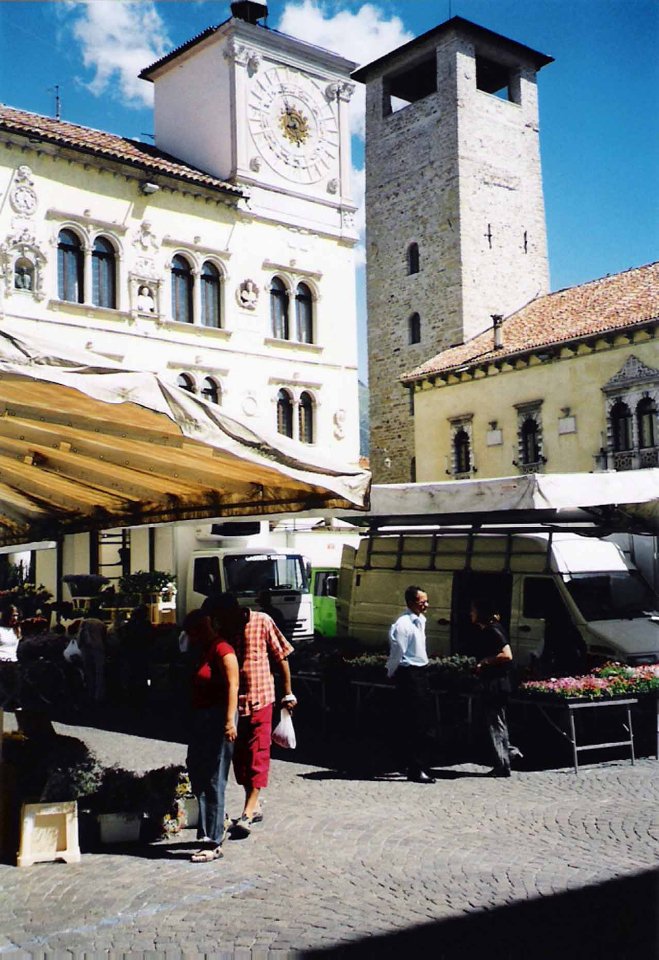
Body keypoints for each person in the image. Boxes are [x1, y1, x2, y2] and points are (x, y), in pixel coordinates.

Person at [228, 595, 296, 837]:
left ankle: (247, 813)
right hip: (235, 706)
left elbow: (281, 657)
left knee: (257, 754)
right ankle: (254, 804)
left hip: (261, 700)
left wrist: (287, 693)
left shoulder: (262, 621)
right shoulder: (224, 629)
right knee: (240, 759)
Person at [184, 601, 239, 863]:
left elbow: (232, 686)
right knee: (198, 771)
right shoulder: (203, 649)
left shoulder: (222, 649)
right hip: (202, 719)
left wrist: (229, 721)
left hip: (218, 719)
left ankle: (213, 840)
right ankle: (213, 825)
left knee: (215, 778)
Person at [386, 585, 436, 784]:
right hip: (409, 673)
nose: (426, 605)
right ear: (411, 602)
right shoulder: (403, 624)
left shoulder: (420, 621)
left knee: (421, 721)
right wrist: (391, 672)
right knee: (416, 723)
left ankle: (412, 763)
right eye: (423, 602)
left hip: (420, 672)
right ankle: (415, 767)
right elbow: (397, 652)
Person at [471, 597, 514, 778]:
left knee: (496, 723)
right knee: (498, 722)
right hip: (496, 683)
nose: (471, 614)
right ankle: (505, 758)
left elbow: (507, 655)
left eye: (473, 610)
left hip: (495, 684)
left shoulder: (493, 630)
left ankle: (502, 763)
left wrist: (485, 661)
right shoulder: (491, 629)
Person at [0, 601, 21, 708]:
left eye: (17, 615)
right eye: (13, 615)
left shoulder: (17, 630)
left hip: (14, 662)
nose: (15, 618)